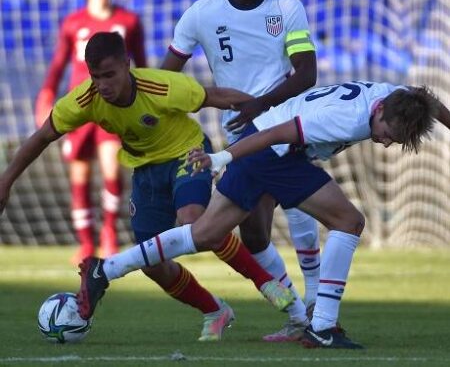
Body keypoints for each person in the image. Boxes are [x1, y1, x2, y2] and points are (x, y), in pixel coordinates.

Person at [76, 80, 450, 349]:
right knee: (349, 222)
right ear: (380, 110)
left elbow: (428, 99)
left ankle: (104, 269)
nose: (385, 141)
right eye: (386, 132)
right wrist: (222, 157)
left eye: (394, 139)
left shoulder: (397, 98)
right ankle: (322, 325)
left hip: (265, 148)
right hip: (274, 151)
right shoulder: (347, 118)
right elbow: (277, 135)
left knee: (202, 234)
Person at [0, 32, 295, 342]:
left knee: (194, 220)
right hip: (145, 170)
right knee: (152, 264)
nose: (103, 84)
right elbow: (42, 136)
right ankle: (215, 311)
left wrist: (270, 113)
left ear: (127, 65)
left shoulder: (160, 86)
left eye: (110, 75)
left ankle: (266, 283)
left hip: (187, 153)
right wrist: (6, 182)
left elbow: (215, 96)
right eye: (96, 77)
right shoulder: (84, 100)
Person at [160, 0, 320, 342]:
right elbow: (166, 79)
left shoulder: (287, 7)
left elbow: (306, 72)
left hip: (284, 119)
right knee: (252, 233)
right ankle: (301, 313)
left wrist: (261, 104)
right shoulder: (201, 13)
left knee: (299, 204)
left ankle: (316, 307)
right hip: (241, 132)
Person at [34, 0, 147, 265]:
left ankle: (109, 232)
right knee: (80, 175)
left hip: (114, 107)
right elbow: (59, 64)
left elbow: (143, 63)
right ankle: (86, 244)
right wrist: (46, 95)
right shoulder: (73, 22)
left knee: (112, 169)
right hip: (80, 108)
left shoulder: (129, 21)